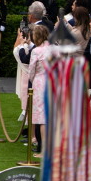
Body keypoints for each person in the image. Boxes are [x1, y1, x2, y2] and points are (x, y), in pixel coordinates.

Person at [24, 24, 52, 153]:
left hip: (40, 83)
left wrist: (32, 79)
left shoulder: (36, 51)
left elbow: (31, 70)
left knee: (41, 117)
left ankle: (44, 148)